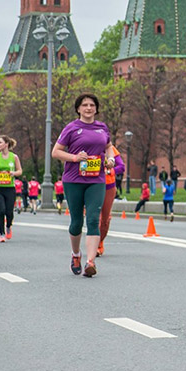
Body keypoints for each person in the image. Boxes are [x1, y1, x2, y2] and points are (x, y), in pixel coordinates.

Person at [52, 92, 115, 278]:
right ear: (78, 109)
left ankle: (91, 262)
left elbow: (108, 146)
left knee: (94, 219)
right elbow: (56, 152)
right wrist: (74, 157)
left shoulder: (102, 128)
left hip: (96, 180)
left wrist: (110, 159)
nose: (89, 108)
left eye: (92, 105)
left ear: (96, 109)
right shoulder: (71, 128)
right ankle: (76, 254)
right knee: (77, 222)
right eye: (85, 105)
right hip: (73, 180)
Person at [0, 135, 22, 243]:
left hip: (10, 188)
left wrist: (13, 173)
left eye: (0, 143)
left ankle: (8, 226)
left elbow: (20, 171)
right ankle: (1, 233)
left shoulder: (14, 157)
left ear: (6, 144)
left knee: (9, 211)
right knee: (1, 210)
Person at [98, 145, 124, 256]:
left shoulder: (111, 149)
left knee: (105, 219)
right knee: (94, 218)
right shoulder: (88, 145)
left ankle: (100, 242)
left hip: (109, 186)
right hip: (92, 185)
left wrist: (110, 171)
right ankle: (95, 245)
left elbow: (121, 167)